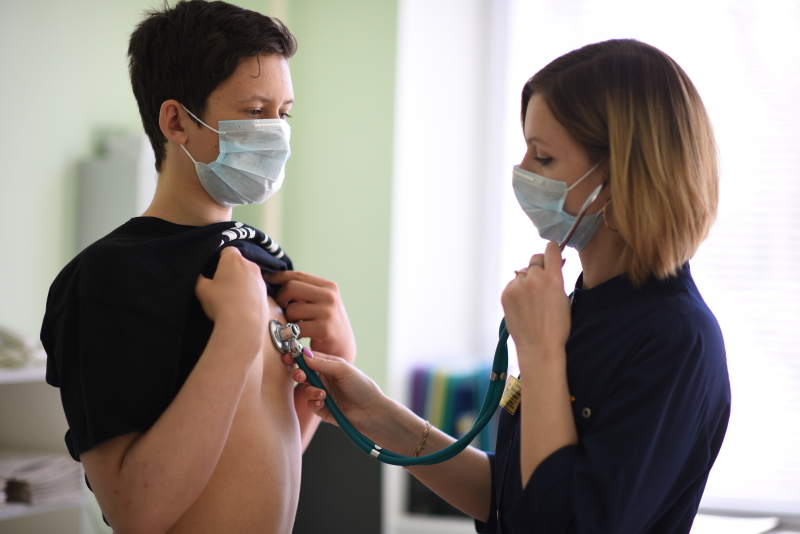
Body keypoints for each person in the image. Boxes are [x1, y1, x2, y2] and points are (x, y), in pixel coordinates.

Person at [288, 39, 731, 533]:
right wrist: (376, 415)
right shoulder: (581, 307)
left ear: (619, 177)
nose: (521, 171)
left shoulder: (677, 340)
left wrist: (540, 354)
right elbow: (511, 499)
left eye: (543, 157)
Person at [40, 2, 356, 533]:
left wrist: (338, 356)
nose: (275, 133)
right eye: (254, 111)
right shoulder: (110, 278)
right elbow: (134, 512)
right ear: (176, 121)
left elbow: (263, 462)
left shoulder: (261, 259)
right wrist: (236, 334)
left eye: (283, 114)